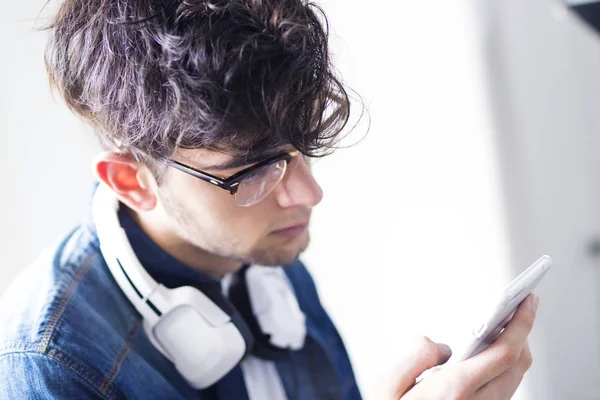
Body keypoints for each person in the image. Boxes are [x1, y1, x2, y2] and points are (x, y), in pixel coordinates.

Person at [0, 0, 538, 399]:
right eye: (252, 171)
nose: (308, 194)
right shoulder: (50, 368)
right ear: (132, 181)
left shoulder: (261, 251)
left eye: (301, 149)